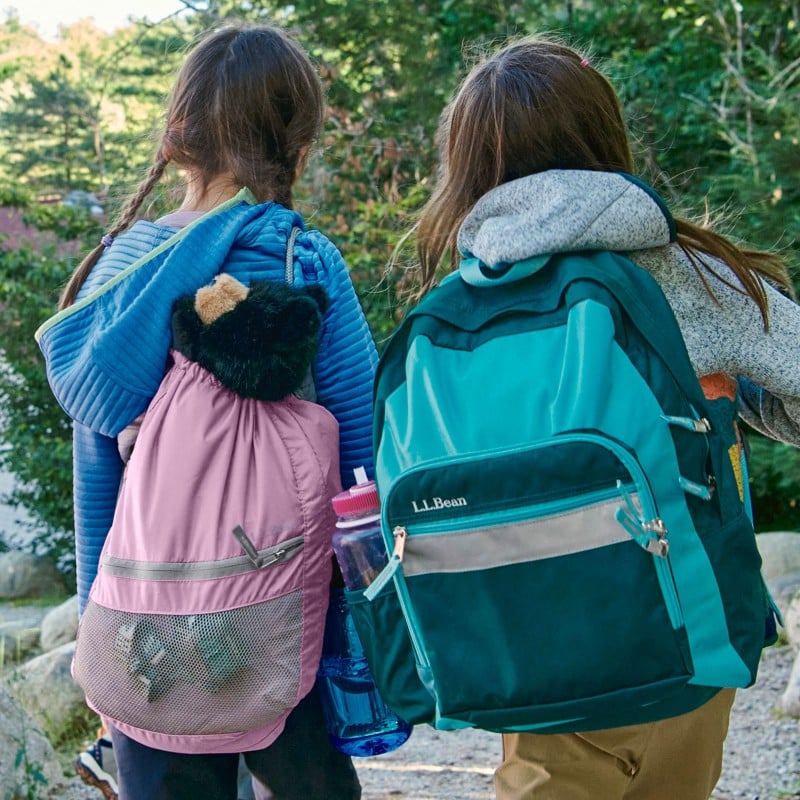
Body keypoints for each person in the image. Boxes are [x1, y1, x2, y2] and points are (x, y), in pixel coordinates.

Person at [408, 35, 800, 800]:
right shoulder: (686, 274)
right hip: (688, 631)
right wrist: (732, 402)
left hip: (530, 644)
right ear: (602, 136)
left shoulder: (455, 309)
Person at [42, 21, 377, 800]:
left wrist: (101, 619)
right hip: (280, 615)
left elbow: (98, 479)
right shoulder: (299, 257)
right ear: (296, 136)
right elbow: (360, 450)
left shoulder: (116, 273)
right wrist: (357, 625)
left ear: (179, 134)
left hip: (144, 624)